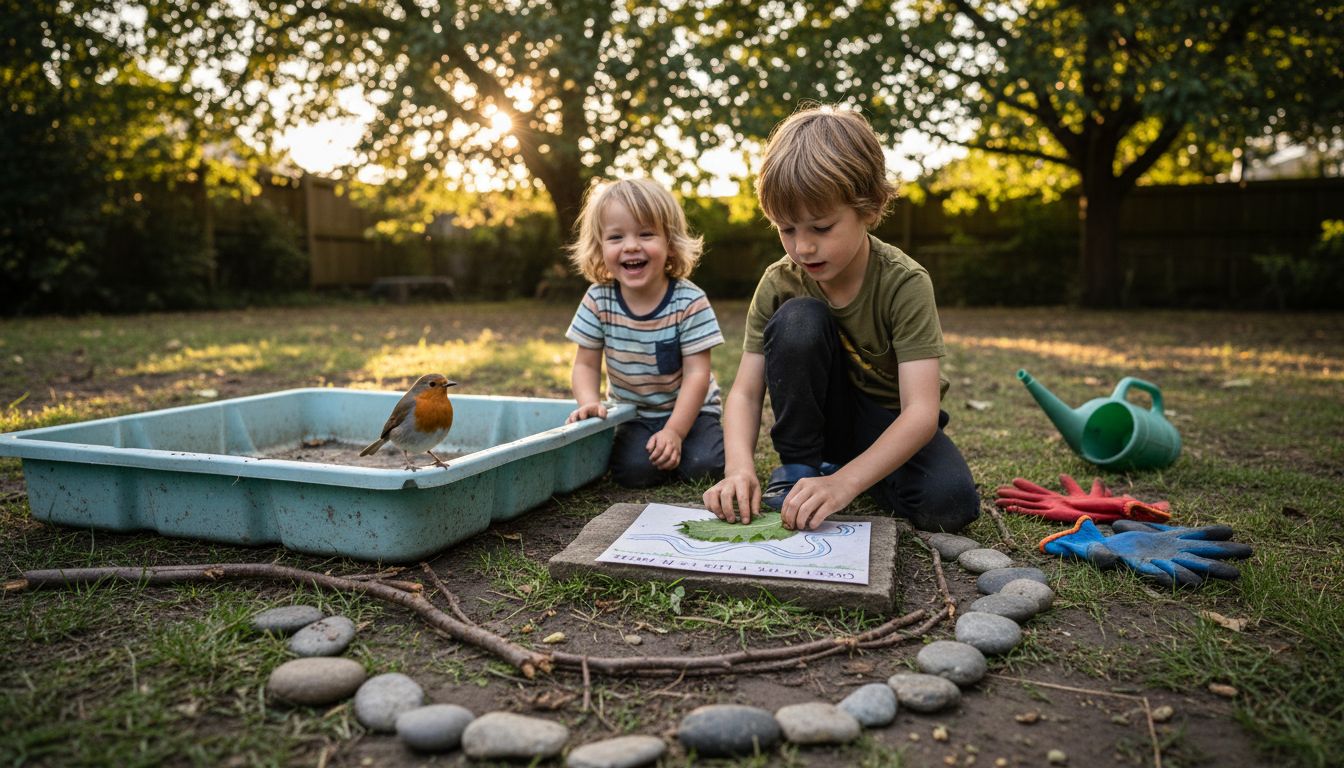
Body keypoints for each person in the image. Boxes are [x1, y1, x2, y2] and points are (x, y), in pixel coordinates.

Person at [702, 106, 979, 533]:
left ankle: (853, 472)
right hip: (817, 422)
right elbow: (744, 392)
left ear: (870, 207)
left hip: (887, 421)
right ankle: (800, 469)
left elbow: (921, 413)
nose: (803, 247)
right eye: (787, 229)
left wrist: (844, 485)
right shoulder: (779, 283)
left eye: (821, 227)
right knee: (799, 319)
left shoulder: (905, 283)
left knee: (949, 504)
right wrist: (738, 469)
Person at [564, 178, 726, 488]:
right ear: (600, 247)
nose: (631, 246)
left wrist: (675, 432)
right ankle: (661, 453)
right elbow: (585, 364)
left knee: (703, 466)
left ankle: (687, 445)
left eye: (646, 234)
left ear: (670, 242)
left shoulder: (689, 301)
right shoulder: (599, 300)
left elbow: (697, 374)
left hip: (692, 411)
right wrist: (588, 402)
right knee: (633, 472)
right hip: (633, 413)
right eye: (616, 237)